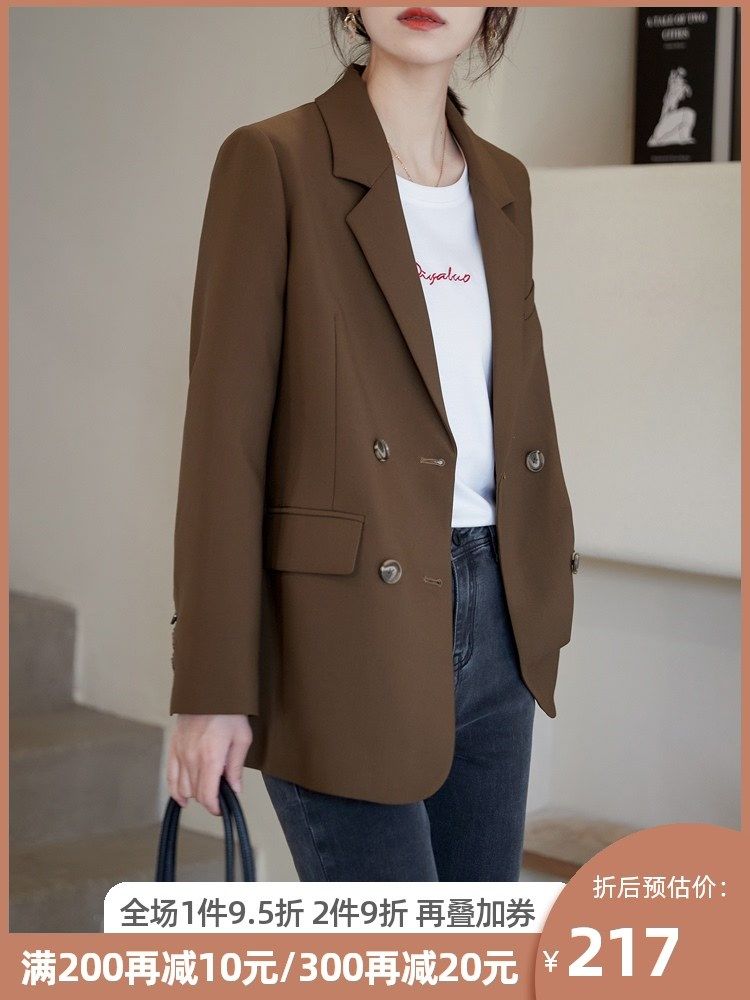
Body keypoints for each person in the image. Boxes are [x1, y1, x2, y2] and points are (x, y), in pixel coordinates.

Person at [167, 6, 577, 881]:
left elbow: (513, 405)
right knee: (395, 946)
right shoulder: (273, 160)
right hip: (343, 626)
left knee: (476, 944)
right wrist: (210, 687)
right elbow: (223, 443)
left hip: (502, 615)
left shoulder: (503, 182)